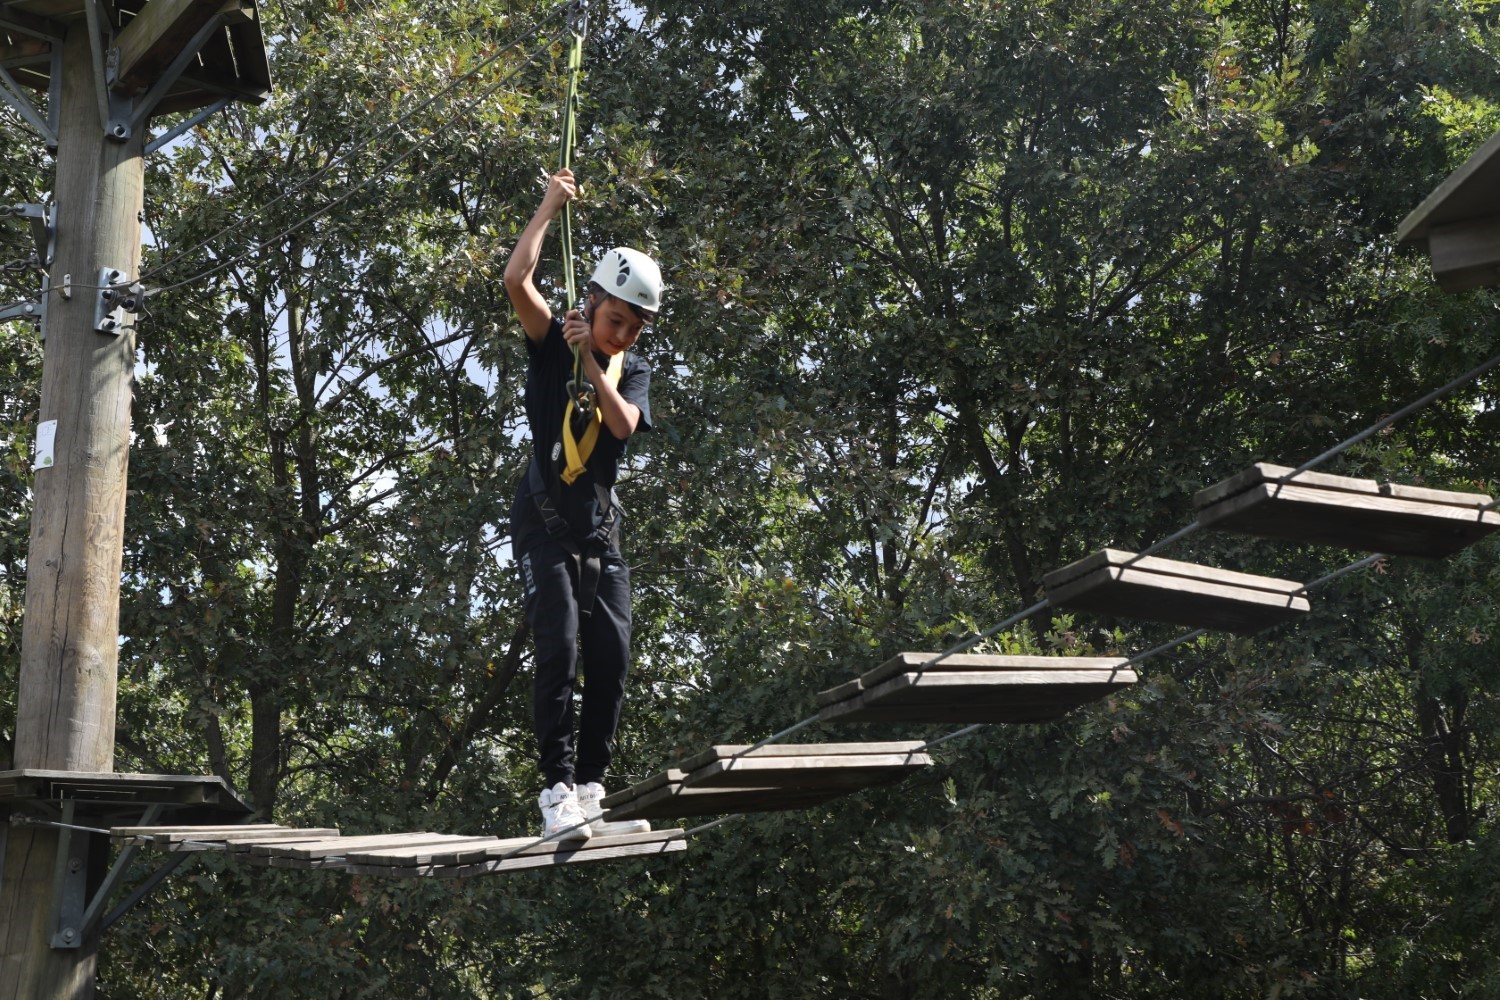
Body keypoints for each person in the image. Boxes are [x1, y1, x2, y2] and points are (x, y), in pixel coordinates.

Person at [503, 167, 662, 840]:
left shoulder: (628, 371)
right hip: (544, 524)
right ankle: (558, 789)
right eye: (614, 320)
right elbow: (516, 281)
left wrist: (593, 364)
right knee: (560, 645)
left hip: (598, 534)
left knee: (613, 655)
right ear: (592, 302)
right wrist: (548, 205)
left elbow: (623, 425)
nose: (622, 334)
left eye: (632, 328)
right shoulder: (548, 345)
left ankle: (594, 785)